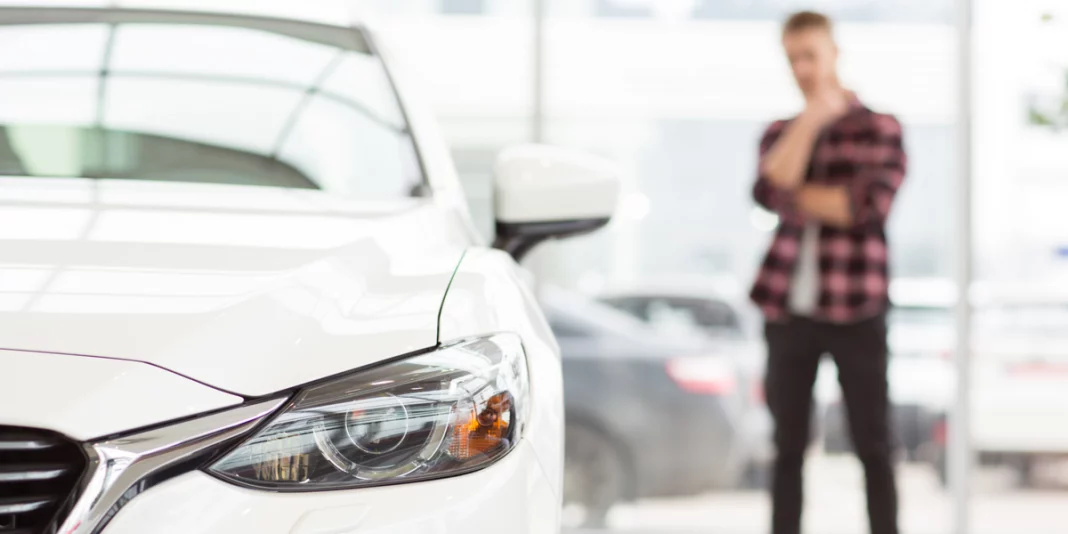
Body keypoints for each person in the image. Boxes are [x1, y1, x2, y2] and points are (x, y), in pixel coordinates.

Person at [749, 11, 907, 534]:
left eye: (811, 55)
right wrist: (812, 121)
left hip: (857, 308)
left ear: (835, 52)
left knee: (873, 444)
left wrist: (798, 193)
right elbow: (769, 190)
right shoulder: (781, 130)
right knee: (787, 447)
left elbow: (864, 208)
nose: (803, 68)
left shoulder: (879, 127)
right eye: (793, 58)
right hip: (788, 310)